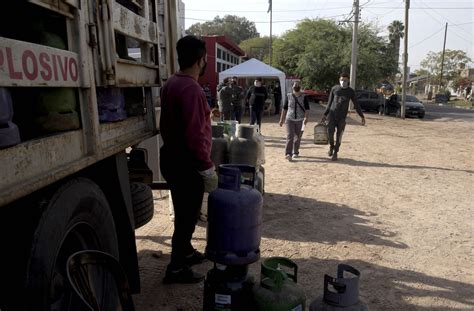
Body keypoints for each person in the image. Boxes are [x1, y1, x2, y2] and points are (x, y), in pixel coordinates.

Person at [159, 35, 218, 284]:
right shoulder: (192, 89)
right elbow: (195, 135)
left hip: (172, 158)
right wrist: (206, 167)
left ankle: (186, 252)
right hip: (187, 164)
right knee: (186, 217)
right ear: (200, 60)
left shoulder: (171, 83)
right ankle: (176, 268)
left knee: (186, 212)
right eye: (205, 58)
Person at [322, 72, 365, 161]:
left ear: (348, 80)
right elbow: (329, 103)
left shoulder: (350, 92)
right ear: (339, 80)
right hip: (332, 115)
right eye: (342, 80)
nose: (343, 82)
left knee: (339, 136)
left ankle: (335, 152)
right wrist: (325, 114)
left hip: (342, 117)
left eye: (345, 80)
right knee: (330, 133)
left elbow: (356, 104)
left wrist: (362, 116)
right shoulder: (334, 89)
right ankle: (331, 146)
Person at [279, 81, 310, 160]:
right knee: (290, 136)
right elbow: (284, 108)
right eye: (295, 85)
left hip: (300, 120)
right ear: (292, 87)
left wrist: (306, 118)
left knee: (298, 137)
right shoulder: (288, 96)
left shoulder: (304, 97)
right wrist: (281, 119)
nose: (296, 86)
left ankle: (295, 152)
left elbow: (307, 109)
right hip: (289, 119)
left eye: (298, 85)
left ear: (300, 87)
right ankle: (288, 153)